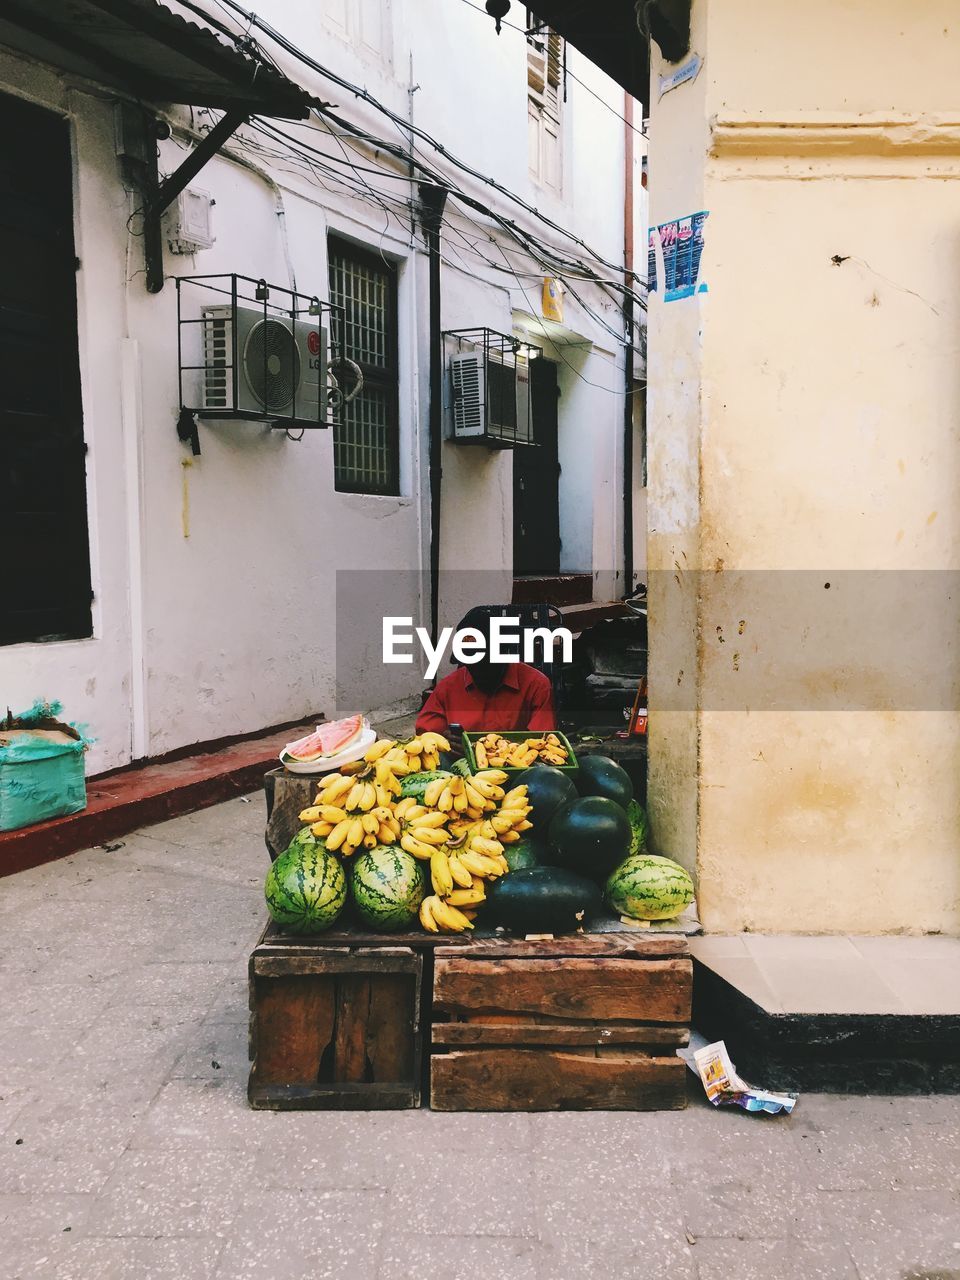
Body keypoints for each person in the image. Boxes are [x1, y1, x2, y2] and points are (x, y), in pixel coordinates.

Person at [415, 613, 557, 754]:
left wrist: (497, 749)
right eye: (469, 662)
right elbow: (425, 734)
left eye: (483, 663)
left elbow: (543, 741)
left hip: (519, 766)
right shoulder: (448, 687)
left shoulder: (536, 685)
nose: (475, 670)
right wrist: (444, 739)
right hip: (460, 767)